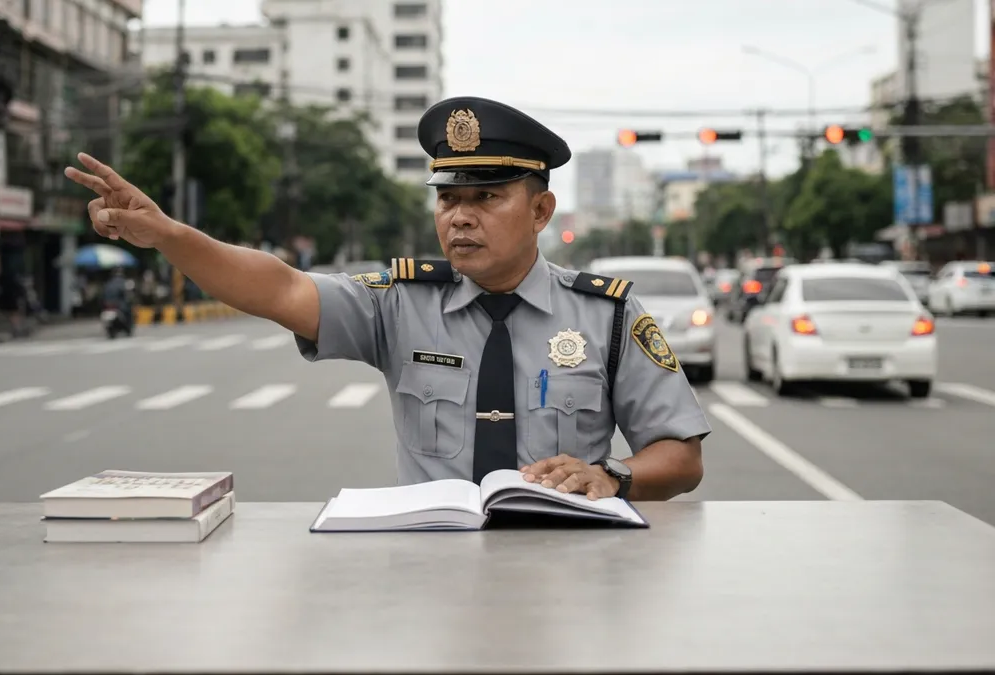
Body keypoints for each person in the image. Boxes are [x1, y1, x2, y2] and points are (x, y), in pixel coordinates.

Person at [64, 96, 710, 501]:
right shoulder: (399, 303)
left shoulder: (607, 314)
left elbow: (680, 454)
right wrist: (169, 235)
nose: (460, 216)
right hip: (430, 573)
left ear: (541, 211)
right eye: (448, 198)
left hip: (572, 567)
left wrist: (615, 476)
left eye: (486, 197)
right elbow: (280, 287)